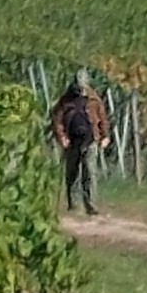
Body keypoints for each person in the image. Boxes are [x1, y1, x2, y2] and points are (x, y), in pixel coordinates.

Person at [48, 74, 112, 215]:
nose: (80, 90)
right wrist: (62, 137)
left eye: (82, 87)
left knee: (90, 172)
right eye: (78, 87)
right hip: (72, 141)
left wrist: (105, 136)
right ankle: (74, 205)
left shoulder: (94, 100)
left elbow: (102, 118)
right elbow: (57, 120)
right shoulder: (66, 101)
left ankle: (91, 205)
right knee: (72, 172)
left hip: (90, 139)